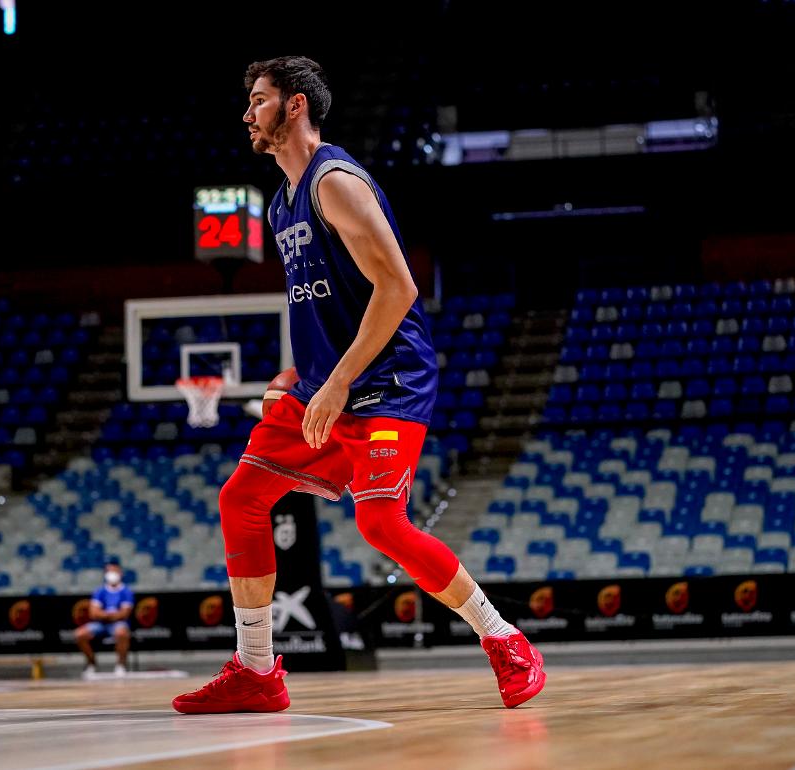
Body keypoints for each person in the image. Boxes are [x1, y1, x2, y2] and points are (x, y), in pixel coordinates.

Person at [171, 56, 545, 714]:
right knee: (243, 497)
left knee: (379, 521)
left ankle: (507, 640)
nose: (246, 112)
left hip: (389, 379)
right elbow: (322, 304)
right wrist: (301, 373)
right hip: (328, 382)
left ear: (294, 107)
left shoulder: (333, 183)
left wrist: (339, 381)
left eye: (258, 100)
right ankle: (257, 670)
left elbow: (399, 287)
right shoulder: (283, 201)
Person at [75, 560, 134, 678]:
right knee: (80, 634)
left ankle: (120, 665)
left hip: (118, 624)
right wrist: (109, 615)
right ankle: (91, 663)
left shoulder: (126, 592)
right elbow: (93, 613)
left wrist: (105, 614)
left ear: (120, 573)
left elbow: (124, 613)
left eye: (114, 571)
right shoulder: (100, 591)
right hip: (100, 624)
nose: (111, 573)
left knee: (122, 633)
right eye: (109, 571)